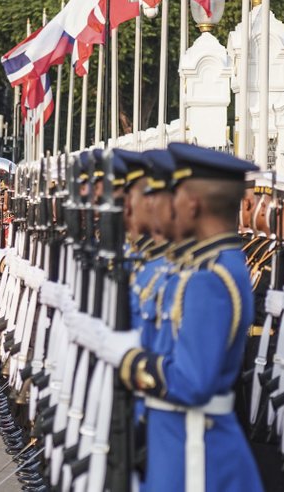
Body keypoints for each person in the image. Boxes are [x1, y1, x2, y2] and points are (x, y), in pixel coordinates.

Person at [97, 142, 263, 491]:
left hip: (196, 451)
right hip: (177, 439)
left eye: (174, 195)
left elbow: (191, 383)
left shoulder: (209, 279)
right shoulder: (209, 267)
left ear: (192, 203)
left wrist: (128, 359)